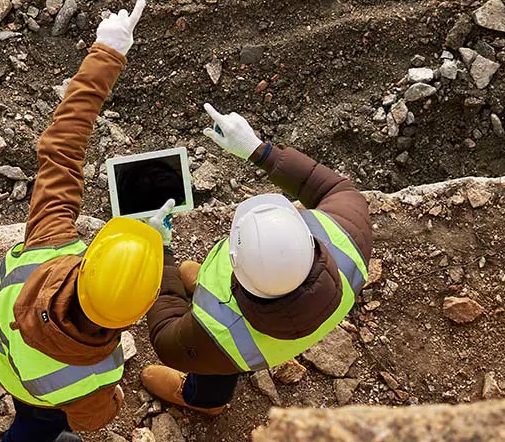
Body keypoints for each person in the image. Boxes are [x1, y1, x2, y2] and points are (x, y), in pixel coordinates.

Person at [0, 0, 164, 442]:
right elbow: (90, 417)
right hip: (30, 391)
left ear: (90, 259)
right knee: (37, 427)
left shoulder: (51, 240)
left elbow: (62, 144)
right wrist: (114, 405)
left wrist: (107, 52)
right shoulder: (102, 371)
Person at [144, 104, 373, 415]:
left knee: (216, 368)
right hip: (303, 316)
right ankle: (202, 291)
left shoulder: (220, 332)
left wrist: (162, 253)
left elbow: (165, 336)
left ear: (235, 269)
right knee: (220, 349)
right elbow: (334, 187)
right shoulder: (348, 243)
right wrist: (259, 150)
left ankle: (205, 401)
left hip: (229, 346)